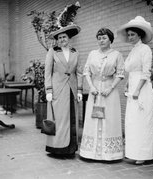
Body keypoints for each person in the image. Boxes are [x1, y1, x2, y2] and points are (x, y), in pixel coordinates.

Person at [117, 16, 153, 164]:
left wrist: (137, 90)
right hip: (133, 87)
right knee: (132, 121)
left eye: (132, 35)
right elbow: (131, 70)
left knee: (142, 121)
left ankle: (144, 155)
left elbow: (146, 72)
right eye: (128, 35)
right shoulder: (133, 50)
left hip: (142, 88)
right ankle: (134, 152)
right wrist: (128, 84)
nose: (130, 37)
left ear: (139, 35)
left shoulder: (145, 49)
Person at [79, 28, 125, 161]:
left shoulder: (117, 54)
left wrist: (110, 88)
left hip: (109, 92)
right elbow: (87, 72)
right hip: (95, 91)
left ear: (110, 39)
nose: (101, 41)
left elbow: (120, 74)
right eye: (99, 38)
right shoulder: (92, 53)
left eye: (104, 38)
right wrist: (91, 87)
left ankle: (109, 154)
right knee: (93, 117)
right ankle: (90, 152)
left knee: (109, 118)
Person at [44, 23, 83, 157]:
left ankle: (70, 149)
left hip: (71, 89)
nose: (62, 40)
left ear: (69, 38)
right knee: (59, 120)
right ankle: (57, 148)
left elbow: (79, 73)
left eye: (64, 37)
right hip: (57, 90)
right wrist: (48, 90)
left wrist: (79, 90)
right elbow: (47, 73)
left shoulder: (75, 52)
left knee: (71, 119)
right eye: (59, 38)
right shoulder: (53, 51)